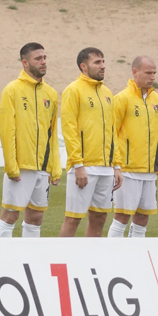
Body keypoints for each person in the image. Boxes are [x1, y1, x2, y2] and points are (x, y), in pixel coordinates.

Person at [0, 42, 61, 238]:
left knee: (36, 218)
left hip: (42, 167)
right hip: (21, 167)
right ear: (25, 63)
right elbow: (6, 131)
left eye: (44, 58)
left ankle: (29, 258)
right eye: (38, 59)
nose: (43, 62)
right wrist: (11, 166)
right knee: (10, 215)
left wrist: (55, 166)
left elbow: (52, 133)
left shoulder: (50, 93)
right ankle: (1, 259)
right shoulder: (12, 90)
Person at [59, 47, 121, 237]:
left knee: (99, 218)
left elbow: (112, 131)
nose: (103, 66)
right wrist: (78, 164)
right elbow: (69, 129)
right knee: (73, 218)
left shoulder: (107, 93)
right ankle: (60, 261)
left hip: (105, 168)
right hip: (83, 166)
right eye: (97, 62)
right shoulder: (73, 90)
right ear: (83, 66)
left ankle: (91, 262)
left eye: (103, 61)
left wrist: (116, 165)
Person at [108, 56, 158, 238]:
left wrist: (157, 168)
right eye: (148, 72)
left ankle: (136, 257)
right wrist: (116, 165)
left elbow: (156, 136)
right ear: (135, 72)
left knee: (143, 218)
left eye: (154, 73)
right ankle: (112, 257)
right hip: (128, 169)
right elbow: (111, 134)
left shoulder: (157, 100)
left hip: (149, 170)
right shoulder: (122, 99)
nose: (152, 76)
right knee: (122, 217)